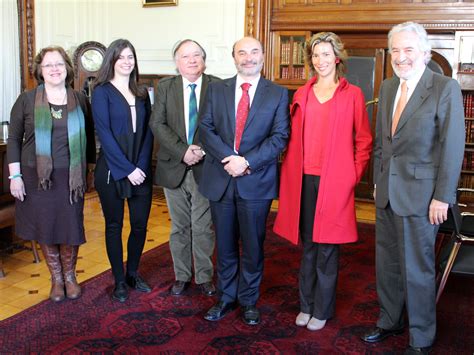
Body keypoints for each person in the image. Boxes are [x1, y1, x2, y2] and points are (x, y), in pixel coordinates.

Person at [360, 22, 465, 354]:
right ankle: (390, 320)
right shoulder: (389, 86)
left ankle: (421, 336)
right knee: (387, 264)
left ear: (424, 52)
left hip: (423, 198)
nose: (401, 57)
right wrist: (378, 181)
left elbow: (452, 147)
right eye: (395, 50)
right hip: (387, 194)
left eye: (408, 50)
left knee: (418, 270)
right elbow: (382, 143)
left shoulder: (444, 87)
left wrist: (442, 197)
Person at [273, 32, 373, 331]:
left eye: (326, 54)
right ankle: (306, 304)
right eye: (316, 55)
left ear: (337, 58)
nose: (321, 60)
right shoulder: (301, 94)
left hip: (336, 181)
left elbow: (364, 141)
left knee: (328, 247)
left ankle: (322, 309)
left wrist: (352, 177)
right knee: (308, 247)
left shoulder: (352, 94)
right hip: (303, 180)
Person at [199, 37, 289, 325]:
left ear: (263, 56)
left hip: (256, 182)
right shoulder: (215, 89)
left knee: (252, 246)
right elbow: (206, 128)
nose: (248, 58)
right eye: (242, 52)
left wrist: (246, 162)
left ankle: (249, 299)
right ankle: (226, 297)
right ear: (233, 57)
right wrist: (231, 159)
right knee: (224, 244)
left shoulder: (277, 94)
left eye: (253, 52)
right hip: (221, 178)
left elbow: (280, 137)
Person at [7, 46, 96, 302]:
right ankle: (56, 278)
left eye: (59, 64)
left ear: (67, 68)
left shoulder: (79, 99)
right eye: (48, 65)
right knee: (46, 226)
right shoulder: (26, 100)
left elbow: (89, 138)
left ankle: (70, 276)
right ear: (40, 70)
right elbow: (13, 139)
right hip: (37, 178)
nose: (54, 69)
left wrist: (90, 169)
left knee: (70, 225)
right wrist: (15, 177)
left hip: (71, 177)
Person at [150, 39, 220, 297]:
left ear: (204, 60)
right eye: (185, 56)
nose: (191, 60)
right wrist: (183, 151)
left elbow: (221, 124)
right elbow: (158, 124)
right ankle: (182, 276)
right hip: (174, 167)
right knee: (179, 227)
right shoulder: (166, 87)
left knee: (203, 227)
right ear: (176, 62)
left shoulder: (217, 86)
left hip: (206, 167)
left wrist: (199, 149)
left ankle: (204, 276)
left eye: (196, 55)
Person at [91, 39, 154, 303]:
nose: (127, 62)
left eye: (131, 57)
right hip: (112, 170)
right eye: (121, 57)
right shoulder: (101, 91)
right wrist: (127, 169)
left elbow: (149, 132)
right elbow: (104, 134)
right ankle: (118, 280)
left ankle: (132, 273)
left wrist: (140, 166)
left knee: (139, 225)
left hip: (140, 170)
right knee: (114, 225)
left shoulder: (141, 92)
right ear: (112, 61)